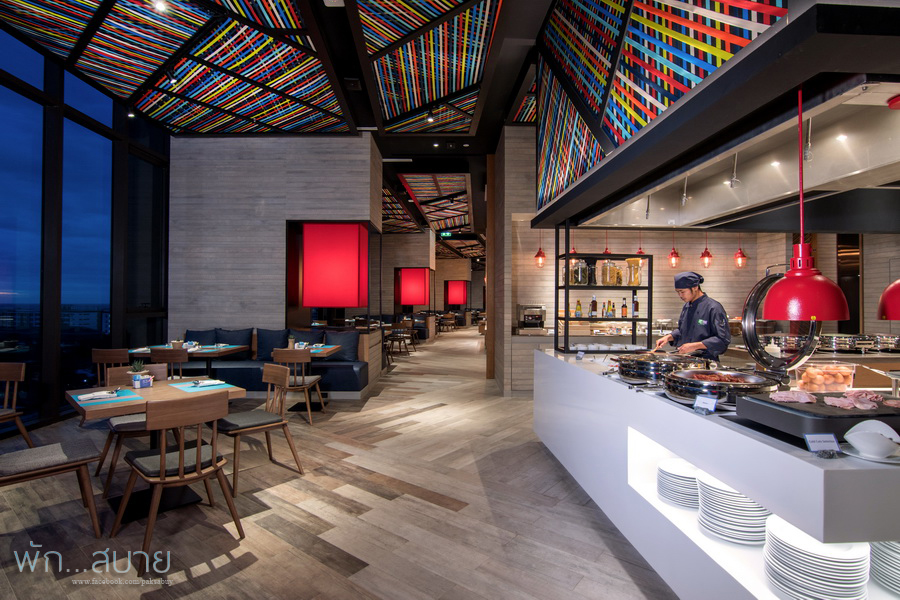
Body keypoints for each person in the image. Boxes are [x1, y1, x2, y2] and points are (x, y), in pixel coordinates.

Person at [654, 271, 731, 360]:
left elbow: (722, 340)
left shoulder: (713, 307)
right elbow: (682, 331)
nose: (680, 295)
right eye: (678, 292)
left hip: (705, 361)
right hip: (685, 360)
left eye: (682, 292)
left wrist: (695, 346)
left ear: (695, 287)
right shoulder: (687, 306)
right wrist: (668, 337)